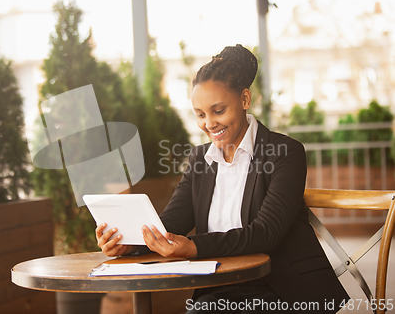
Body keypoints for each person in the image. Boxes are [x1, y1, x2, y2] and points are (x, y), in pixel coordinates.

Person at [95, 45, 349, 313]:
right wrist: (129, 242)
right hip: (220, 288)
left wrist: (193, 248)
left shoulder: (286, 153)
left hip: (283, 289)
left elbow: (266, 233)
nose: (209, 124)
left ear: (245, 99)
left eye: (218, 110)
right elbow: (171, 222)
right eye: (200, 114)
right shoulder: (199, 159)